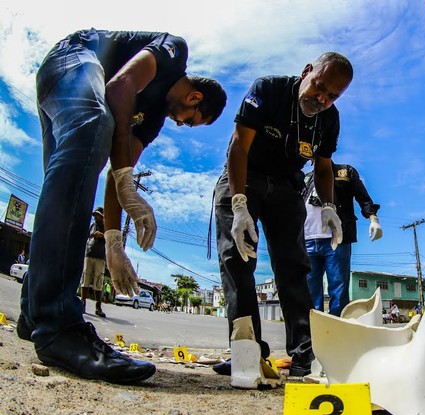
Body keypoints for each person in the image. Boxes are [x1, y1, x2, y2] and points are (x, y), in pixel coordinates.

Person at [17, 28, 227, 384]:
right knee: (95, 125)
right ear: (194, 97)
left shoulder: (154, 120)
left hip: (67, 89)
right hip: (74, 58)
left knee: (68, 183)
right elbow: (119, 86)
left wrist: (114, 242)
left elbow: (120, 170)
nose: (181, 123)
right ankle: (59, 327)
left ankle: (34, 314)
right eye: (190, 120)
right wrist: (126, 179)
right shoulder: (173, 52)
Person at [213, 52, 353, 378]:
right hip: (244, 177)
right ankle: (246, 354)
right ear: (306, 71)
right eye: (318, 87)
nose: (321, 99)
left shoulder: (329, 119)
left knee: (294, 267)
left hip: (288, 188)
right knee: (238, 260)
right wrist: (238, 204)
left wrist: (329, 207)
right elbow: (239, 146)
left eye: (332, 96)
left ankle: (306, 356)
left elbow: (322, 166)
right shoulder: (269, 90)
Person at [303, 163, 382, 316]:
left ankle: (337, 329)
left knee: (338, 288)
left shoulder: (345, 172)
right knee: (309, 290)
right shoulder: (307, 177)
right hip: (307, 238)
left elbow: (362, 197)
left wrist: (373, 218)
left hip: (337, 238)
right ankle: (314, 331)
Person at [80, 207, 107, 318]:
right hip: (89, 255)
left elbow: (112, 239)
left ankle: (98, 307)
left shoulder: (107, 227)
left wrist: (102, 235)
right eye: (95, 215)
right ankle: (82, 304)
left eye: (98, 215)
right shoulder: (92, 226)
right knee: (85, 279)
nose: (96, 217)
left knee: (98, 282)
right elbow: (86, 237)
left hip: (100, 257)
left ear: (103, 216)